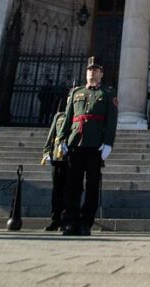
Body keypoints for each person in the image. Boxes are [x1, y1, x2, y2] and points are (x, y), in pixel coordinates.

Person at [56, 58, 118, 236]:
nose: (92, 72)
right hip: (75, 143)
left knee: (91, 185)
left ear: (101, 74)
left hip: (95, 145)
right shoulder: (76, 93)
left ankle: (86, 222)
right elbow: (68, 118)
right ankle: (70, 221)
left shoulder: (107, 94)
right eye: (90, 69)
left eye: (96, 70)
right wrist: (61, 139)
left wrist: (108, 143)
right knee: (72, 185)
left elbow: (111, 122)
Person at [41, 96, 69, 232]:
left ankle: (66, 219)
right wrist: (47, 151)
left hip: (73, 156)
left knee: (70, 189)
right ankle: (55, 218)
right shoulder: (59, 117)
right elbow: (52, 134)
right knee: (57, 188)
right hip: (58, 156)